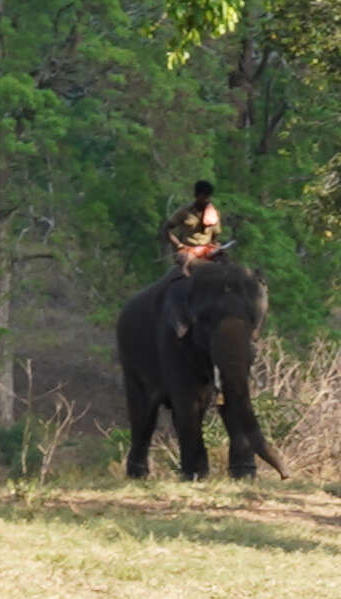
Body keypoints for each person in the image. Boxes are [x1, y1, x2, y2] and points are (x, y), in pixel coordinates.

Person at [115, 187, 275, 482]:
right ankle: (186, 469)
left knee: (234, 393)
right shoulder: (175, 316)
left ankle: (243, 468)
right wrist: (179, 247)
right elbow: (168, 229)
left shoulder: (213, 216)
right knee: (167, 410)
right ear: (182, 320)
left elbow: (215, 237)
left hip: (212, 275)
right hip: (170, 330)